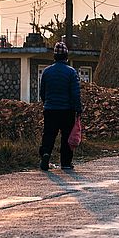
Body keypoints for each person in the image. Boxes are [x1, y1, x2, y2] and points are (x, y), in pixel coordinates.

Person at [39, 41, 83, 171]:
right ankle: (66, 162)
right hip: (66, 111)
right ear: (66, 56)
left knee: (48, 134)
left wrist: (47, 103)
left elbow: (42, 92)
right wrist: (78, 108)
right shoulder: (71, 72)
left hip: (50, 109)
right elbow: (75, 93)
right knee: (66, 137)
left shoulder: (46, 72)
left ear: (54, 57)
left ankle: (46, 154)